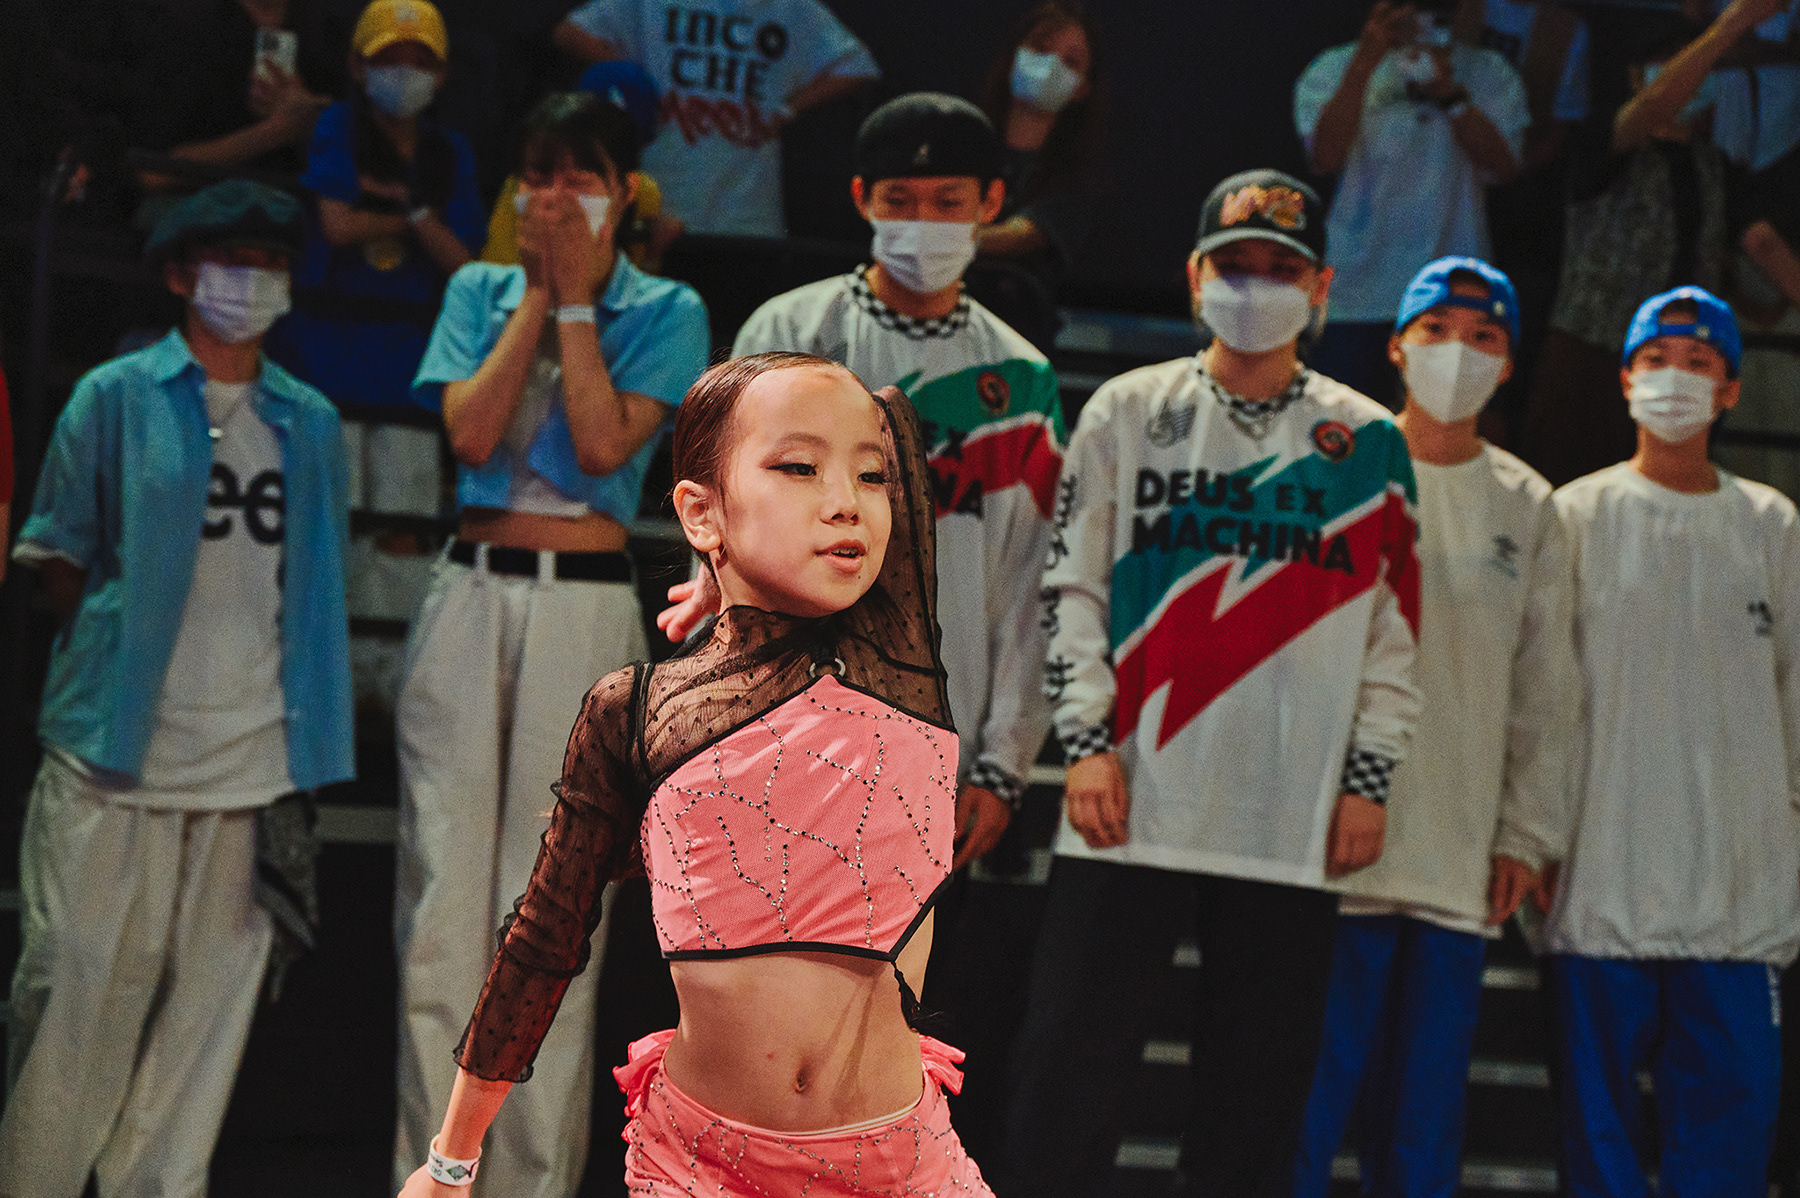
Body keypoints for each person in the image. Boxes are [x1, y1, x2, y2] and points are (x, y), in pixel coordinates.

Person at [395, 353, 992, 1197]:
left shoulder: (897, 660)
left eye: (869, 478)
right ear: (698, 511)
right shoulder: (637, 710)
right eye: (799, 468)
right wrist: (450, 1164)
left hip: (903, 1168)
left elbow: (890, 414)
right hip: (700, 1168)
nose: (846, 501)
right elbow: (543, 941)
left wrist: (729, 558)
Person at [1003, 168, 1421, 1198]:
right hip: (1129, 796)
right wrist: (1086, 744)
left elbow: (1395, 632)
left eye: (1281, 268)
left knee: (1255, 1104)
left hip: (1292, 807)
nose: (1256, 286)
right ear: (1194, 276)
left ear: (1321, 288)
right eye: (1235, 266)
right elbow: (1070, 586)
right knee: (1066, 1084)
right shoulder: (1127, 410)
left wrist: (1368, 779)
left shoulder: (1371, 440)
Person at [0, 179, 353, 1197]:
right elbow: (60, 556)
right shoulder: (113, 395)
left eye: (272, 263)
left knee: (205, 1019)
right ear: (181, 274)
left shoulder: (309, 419)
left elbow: (313, 584)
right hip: (115, 751)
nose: (254, 280)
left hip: (252, 758)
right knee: (72, 994)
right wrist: (123, 659)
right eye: (234, 261)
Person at [391, 90, 709, 1198]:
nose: (557, 196)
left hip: (582, 604)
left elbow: (601, 442)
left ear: (625, 191)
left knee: (556, 908)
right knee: (440, 906)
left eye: (582, 175)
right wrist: (535, 292)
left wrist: (578, 299)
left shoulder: (666, 306)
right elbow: (471, 432)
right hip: (471, 592)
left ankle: (527, 1184)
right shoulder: (477, 292)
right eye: (539, 174)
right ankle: (431, 1178)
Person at [1287, 257, 1575, 1198]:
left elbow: (1546, 690)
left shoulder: (1531, 505)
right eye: (1438, 331)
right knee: (1306, 1109)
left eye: (1484, 336)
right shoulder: (1341, 467)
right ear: (1397, 345)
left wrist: (1526, 833)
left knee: (1422, 1124)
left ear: (1510, 362)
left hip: (1457, 854)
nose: (1460, 352)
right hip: (1334, 854)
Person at [734, 91, 1064, 873]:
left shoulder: (1021, 378)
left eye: (948, 201)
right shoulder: (787, 335)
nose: (924, 222)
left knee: (907, 957)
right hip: (778, 731)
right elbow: (727, 530)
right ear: (862, 199)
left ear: (990, 203)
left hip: (939, 743)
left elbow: (1034, 583)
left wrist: (1004, 764)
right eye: (900, 200)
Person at [1542, 285, 1800, 1198]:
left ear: (1731, 390)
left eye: (1698, 363)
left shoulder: (1771, 523)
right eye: (1657, 360)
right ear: (1625, 379)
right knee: (1598, 1143)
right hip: (1601, 874)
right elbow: (1544, 700)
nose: (1675, 379)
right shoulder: (1571, 516)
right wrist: (1536, 835)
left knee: (1730, 1140)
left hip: (1737, 887)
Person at [1519, 0, 1779, 485]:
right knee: (1573, 493)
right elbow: (1656, 105)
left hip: (1685, 359)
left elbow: (1764, 245)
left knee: (1673, 491)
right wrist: (1732, 24)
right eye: (1670, 60)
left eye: (1694, 60)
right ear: (1636, 76)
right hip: (1593, 356)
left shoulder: (1715, 166)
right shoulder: (1604, 140)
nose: (1690, 75)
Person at [1296, 0, 1528, 403]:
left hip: (1450, 292)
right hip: (1355, 291)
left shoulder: (1489, 71)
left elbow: (1505, 168)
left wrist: (1452, 96)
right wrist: (1364, 64)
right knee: (1341, 421)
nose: (1417, 16)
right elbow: (1325, 157)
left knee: (1441, 420)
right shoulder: (1334, 67)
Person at [266, 0, 484, 410]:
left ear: (441, 74)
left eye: (421, 63)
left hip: (410, 350)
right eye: (388, 59)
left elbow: (463, 264)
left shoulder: (451, 150)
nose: (404, 73)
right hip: (324, 342)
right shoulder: (338, 126)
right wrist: (417, 219)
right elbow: (338, 226)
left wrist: (404, 208)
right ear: (357, 65)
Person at [552, 0, 881, 237]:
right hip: (662, 198)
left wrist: (788, 108)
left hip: (746, 207)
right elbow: (571, 32)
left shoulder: (787, 7)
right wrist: (634, 82)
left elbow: (856, 65)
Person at [969, 0, 1106, 336]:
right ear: (1014, 55)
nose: (1050, 66)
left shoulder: (1078, 176)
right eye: (1041, 49)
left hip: (1014, 329)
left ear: (1083, 88)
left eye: (1070, 61)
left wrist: (940, 238)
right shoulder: (962, 141)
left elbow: (1020, 235)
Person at [480, 61, 682, 273]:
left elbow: (633, 287)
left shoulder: (643, 193)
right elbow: (500, 280)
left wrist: (653, 254)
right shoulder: (529, 183)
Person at [134, 0, 338, 195]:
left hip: (304, 201)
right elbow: (152, 173)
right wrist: (275, 131)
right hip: (202, 205)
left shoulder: (330, 24)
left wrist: (316, 121)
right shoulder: (185, 27)